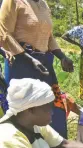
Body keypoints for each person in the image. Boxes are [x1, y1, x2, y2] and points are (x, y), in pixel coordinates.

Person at [0, 0, 74, 139]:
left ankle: (54, 146)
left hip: (44, 62)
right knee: (25, 109)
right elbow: (5, 33)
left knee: (48, 105)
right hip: (21, 62)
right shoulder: (13, 2)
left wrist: (62, 57)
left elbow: (49, 36)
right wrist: (30, 59)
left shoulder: (43, 4)